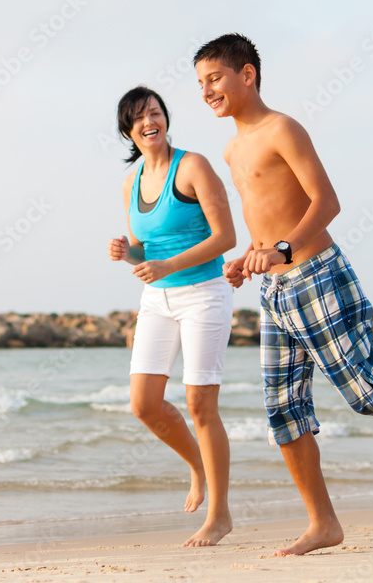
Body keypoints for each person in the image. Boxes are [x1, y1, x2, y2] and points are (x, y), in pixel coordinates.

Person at [192, 34, 373, 556]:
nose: (207, 91)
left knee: (363, 387)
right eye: (200, 84)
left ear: (248, 74)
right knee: (283, 410)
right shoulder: (232, 147)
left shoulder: (282, 128)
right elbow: (265, 211)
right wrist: (251, 258)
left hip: (319, 276)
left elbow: (326, 202)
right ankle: (323, 523)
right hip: (275, 288)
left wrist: (283, 247)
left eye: (214, 78)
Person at [107, 86, 237, 547]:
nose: (150, 122)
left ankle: (219, 515)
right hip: (156, 299)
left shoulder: (194, 166)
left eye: (156, 113)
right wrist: (128, 254)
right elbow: (147, 250)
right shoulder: (131, 181)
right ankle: (198, 465)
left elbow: (226, 237)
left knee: (202, 405)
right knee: (144, 404)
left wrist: (165, 265)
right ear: (129, 130)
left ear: (166, 119)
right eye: (140, 117)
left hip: (204, 294)